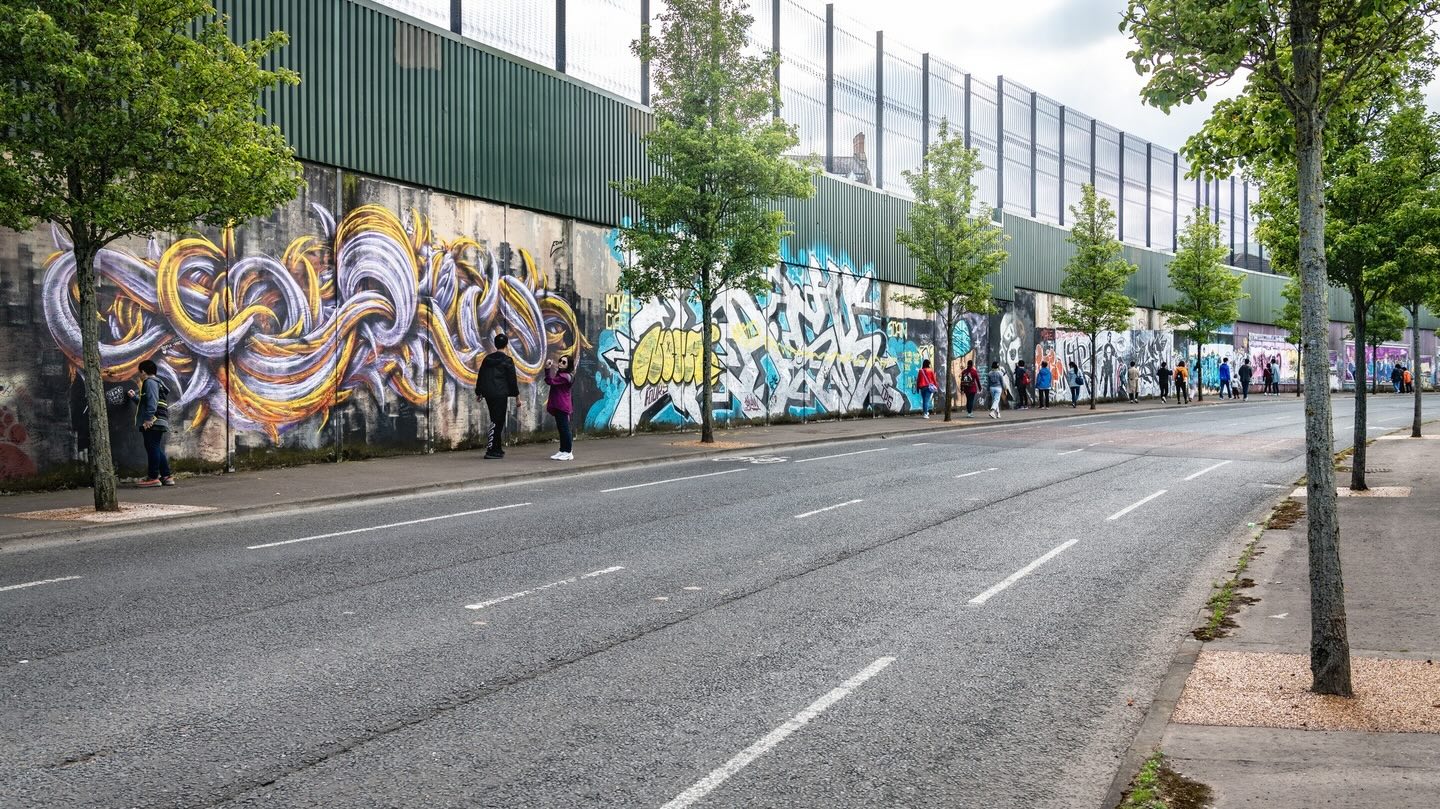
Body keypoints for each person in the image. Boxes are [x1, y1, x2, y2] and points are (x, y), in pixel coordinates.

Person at [127, 359, 173, 487]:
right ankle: (166, 476)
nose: (140, 376)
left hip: (153, 421)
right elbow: (148, 402)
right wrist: (135, 398)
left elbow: (152, 402)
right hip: (160, 420)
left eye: (139, 373)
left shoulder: (150, 382)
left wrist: (148, 419)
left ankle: (153, 477)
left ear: (143, 371)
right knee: (156, 448)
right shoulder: (158, 383)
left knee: (152, 448)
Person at [475, 333, 521, 460]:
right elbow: (512, 380)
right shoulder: (507, 360)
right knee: (497, 421)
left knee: (496, 419)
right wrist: (516, 396)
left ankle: (497, 448)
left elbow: (481, 376)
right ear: (506, 345)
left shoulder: (487, 359)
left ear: (495, 344)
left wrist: (479, 392)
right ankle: (491, 450)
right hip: (500, 394)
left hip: (489, 393)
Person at [545, 354, 575, 460]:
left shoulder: (564, 377)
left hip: (562, 405)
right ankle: (563, 450)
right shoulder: (562, 374)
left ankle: (568, 452)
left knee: (564, 429)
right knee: (562, 429)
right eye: (560, 361)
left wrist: (547, 369)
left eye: (564, 362)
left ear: (568, 365)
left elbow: (550, 381)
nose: (561, 363)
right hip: (559, 405)